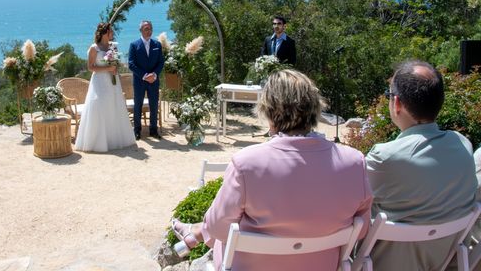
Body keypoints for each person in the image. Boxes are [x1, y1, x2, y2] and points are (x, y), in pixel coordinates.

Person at [171, 69, 372, 270]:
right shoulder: (355, 162)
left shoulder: (246, 163)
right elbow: (361, 231)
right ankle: (193, 233)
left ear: (268, 111)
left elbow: (217, 229)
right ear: (315, 108)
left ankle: (193, 234)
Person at [365, 60, 477, 270]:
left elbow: (352, 203)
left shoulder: (385, 157)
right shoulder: (463, 144)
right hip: (443, 261)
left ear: (397, 103)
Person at [74, 22, 136, 152]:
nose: (113, 33)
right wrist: (108, 68)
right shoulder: (94, 48)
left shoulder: (113, 47)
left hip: (112, 81)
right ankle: (98, 141)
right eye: (111, 31)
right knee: (100, 105)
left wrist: (115, 69)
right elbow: (90, 67)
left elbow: (116, 64)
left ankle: (113, 139)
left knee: (113, 105)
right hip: (99, 81)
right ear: (104, 33)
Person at [128, 20, 164, 140]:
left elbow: (161, 62)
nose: (149, 31)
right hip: (139, 81)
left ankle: (153, 130)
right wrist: (144, 76)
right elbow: (131, 64)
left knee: (154, 105)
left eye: (150, 28)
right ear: (141, 31)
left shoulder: (157, 45)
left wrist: (154, 75)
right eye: (146, 29)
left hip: (153, 81)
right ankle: (137, 130)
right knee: (138, 105)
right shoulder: (134, 45)